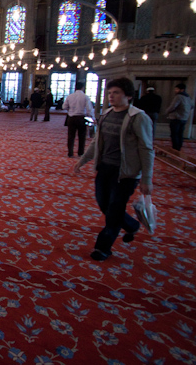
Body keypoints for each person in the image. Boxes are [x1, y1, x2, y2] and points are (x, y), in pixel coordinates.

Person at [74, 77, 154, 261]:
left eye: (116, 92)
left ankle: (103, 247)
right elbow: (97, 142)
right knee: (104, 203)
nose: (111, 96)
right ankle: (131, 224)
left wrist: (146, 179)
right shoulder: (107, 114)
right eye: (110, 93)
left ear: (128, 95)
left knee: (115, 208)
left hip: (125, 173)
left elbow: (147, 149)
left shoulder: (138, 118)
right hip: (105, 168)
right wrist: (83, 161)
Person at [63, 81, 94, 157]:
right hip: (81, 118)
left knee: (71, 136)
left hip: (71, 118)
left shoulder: (70, 96)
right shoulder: (85, 97)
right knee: (82, 136)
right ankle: (80, 153)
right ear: (83, 88)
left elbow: (64, 107)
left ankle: (70, 153)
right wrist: (92, 118)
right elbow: (89, 109)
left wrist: (70, 110)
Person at [164, 83, 194, 151]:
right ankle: (179, 147)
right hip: (184, 118)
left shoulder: (179, 96)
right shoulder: (188, 97)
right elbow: (192, 106)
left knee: (174, 134)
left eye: (177, 89)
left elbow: (173, 106)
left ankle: (175, 148)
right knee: (180, 134)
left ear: (182, 90)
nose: (175, 90)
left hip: (176, 117)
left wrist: (166, 111)